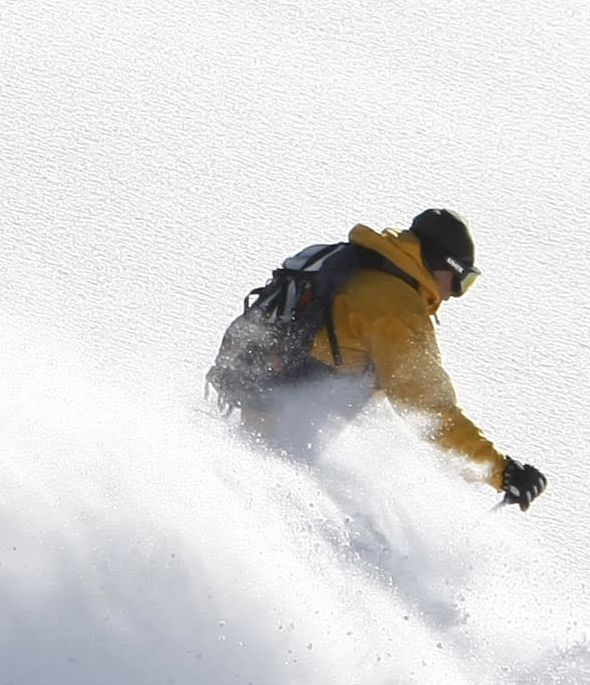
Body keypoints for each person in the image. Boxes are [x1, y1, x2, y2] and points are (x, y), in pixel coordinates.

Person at [212, 207, 546, 508]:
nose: (454, 294)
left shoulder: (368, 274)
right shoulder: (396, 307)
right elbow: (428, 409)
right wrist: (502, 471)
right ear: (441, 265)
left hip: (269, 406)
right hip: (289, 428)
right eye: (461, 280)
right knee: (283, 514)